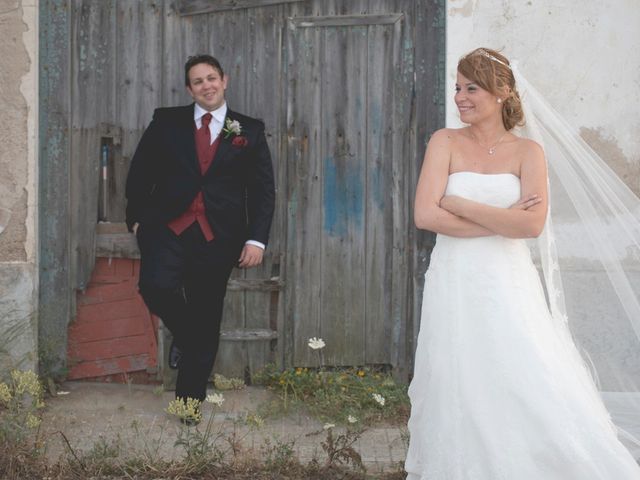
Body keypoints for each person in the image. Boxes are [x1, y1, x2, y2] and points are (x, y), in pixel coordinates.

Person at [405, 48, 640, 479]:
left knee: (521, 367)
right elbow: (425, 215)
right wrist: (502, 219)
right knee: (457, 374)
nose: (460, 97)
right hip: (454, 279)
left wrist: (459, 203)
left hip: (506, 281)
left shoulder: (528, 152)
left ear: (502, 92)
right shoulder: (444, 142)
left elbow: (531, 225)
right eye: (457, 87)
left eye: (471, 87)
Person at [125, 54, 275, 421]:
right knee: (154, 287)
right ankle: (189, 336)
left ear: (224, 80)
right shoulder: (167, 122)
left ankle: (189, 406)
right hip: (167, 229)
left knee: (207, 313)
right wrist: (136, 220)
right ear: (189, 88)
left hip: (219, 237)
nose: (206, 85)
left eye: (211, 78)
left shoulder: (248, 130)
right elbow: (140, 172)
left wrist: (256, 240)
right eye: (197, 81)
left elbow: (262, 190)